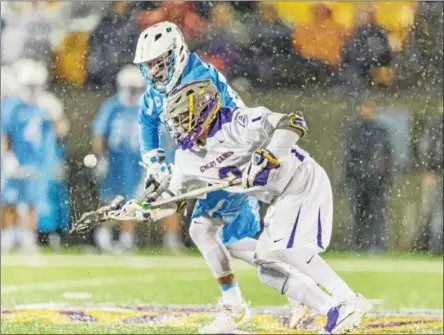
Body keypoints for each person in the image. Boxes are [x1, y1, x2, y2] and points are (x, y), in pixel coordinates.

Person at [131, 80, 372, 334]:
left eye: (182, 118)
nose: (178, 128)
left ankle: (348, 301)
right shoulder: (186, 157)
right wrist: (143, 210)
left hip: (301, 181)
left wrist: (267, 159)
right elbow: (174, 199)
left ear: (203, 110)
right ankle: (331, 309)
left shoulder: (238, 122)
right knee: (268, 269)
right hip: (279, 197)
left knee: (286, 250)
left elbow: (293, 123)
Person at [1, 58, 57, 254]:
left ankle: (27, 236)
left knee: (32, 200)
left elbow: (52, 134)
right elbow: (5, 133)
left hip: (36, 161)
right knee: (9, 200)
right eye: (29, 85)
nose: (33, 90)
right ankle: (8, 234)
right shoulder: (12, 106)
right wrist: (8, 156)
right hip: (16, 158)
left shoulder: (44, 107)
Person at [91, 65, 146, 253]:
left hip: (136, 161)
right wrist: (101, 158)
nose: (132, 93)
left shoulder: (145, 106)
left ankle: (127, 239)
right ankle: (104, 236)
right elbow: (100, 134)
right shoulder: (112, 106)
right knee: (111, 199)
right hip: (115, 159)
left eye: (135, 89)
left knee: (133, 201)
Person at [343, 100, 393, 252]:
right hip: (361, 179)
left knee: (376, 213)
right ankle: (359, 244)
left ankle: (376, 245)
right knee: (360, 213)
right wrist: (348, 177)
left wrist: (386, 177)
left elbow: (387, 157)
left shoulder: (379, 131)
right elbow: (348, 156)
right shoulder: (355, 131)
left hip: (375, 180)